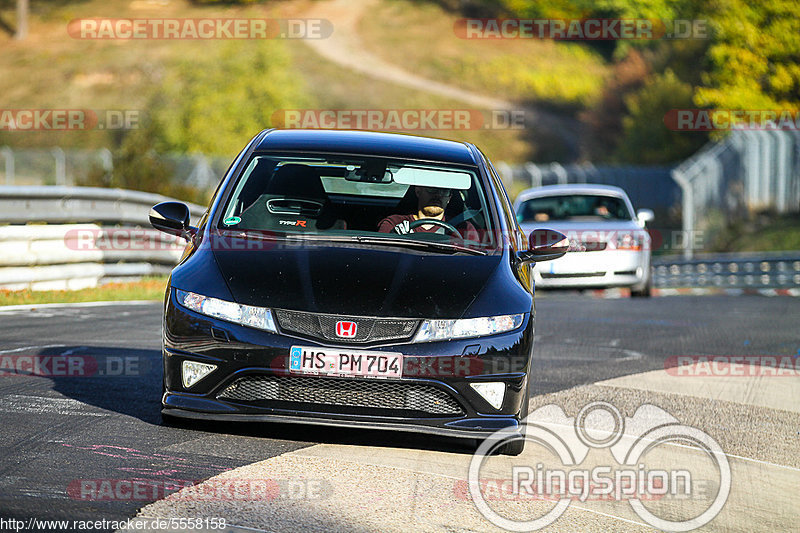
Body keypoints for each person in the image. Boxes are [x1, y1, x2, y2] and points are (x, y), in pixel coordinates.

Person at [377, 186, 478, 240]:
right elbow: (380, 256)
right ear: (418, 191)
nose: (437, 195)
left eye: (444, 191)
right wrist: (396, 238)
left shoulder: (464, 229)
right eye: (432, 189)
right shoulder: (394, 223)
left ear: (449, 198)